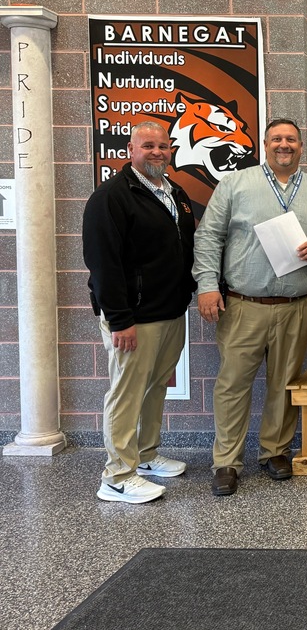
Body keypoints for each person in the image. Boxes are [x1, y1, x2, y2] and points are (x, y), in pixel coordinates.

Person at [193, 118, 307, 497]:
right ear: (264, 145)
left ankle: (275, 452)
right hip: (244, 304)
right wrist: (206, 286)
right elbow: (209, 236)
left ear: (301, 146)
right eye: (277, 139)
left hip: (297, 306)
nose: (285, 145)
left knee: (285, 382)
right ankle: (227, 462)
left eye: (291, 140)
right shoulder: (235, 184)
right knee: (232, 384)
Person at [83, 121, 196, 504]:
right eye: (148, 145)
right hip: (133, 318)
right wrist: (120, 319)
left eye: (163, 146)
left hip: (169, 311)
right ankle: (116, 476)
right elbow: (103, 264)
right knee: (126, 393)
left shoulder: (173, 192)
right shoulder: (112, 197)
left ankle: (145, 457)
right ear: (130, 148)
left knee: (154, 388)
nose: (157, 152)